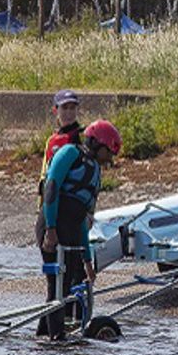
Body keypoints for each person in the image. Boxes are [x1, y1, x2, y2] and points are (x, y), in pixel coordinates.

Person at [37, 119, 122, 340]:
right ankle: (56, 340)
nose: (109, 159)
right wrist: (51, 229)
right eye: (108, 152)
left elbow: (83, 222)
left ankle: (45, 336)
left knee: (68, 286)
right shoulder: (70, 153)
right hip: (52, 226)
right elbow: (52, 187)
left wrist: (87, 259)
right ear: (97, 143)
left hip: (72, 231)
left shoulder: (95, 171)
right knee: (57, 286)